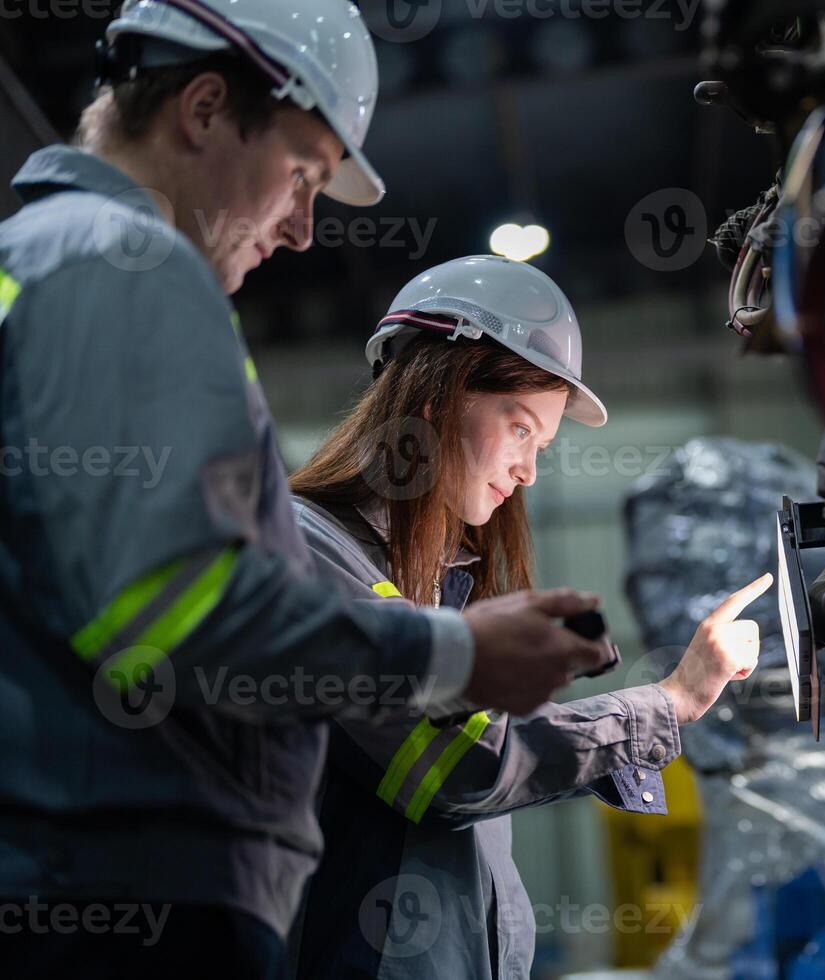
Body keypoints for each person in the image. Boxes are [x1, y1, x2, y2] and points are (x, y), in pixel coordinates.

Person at [0, 2, 602, 975]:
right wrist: (456, 652)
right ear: (203, 108)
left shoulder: (46, 263)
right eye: (302, 176)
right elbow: (180, 599)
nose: (301, 229)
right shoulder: (125, 265)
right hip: (124, 896)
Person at [288, 255, 770, 979]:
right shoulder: (309, 553)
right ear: (435, 399)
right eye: (519, 429)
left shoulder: (437, 584)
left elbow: (508, 754)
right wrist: (668, 702)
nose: (528, 472)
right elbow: (462, 765)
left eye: (540, 446)